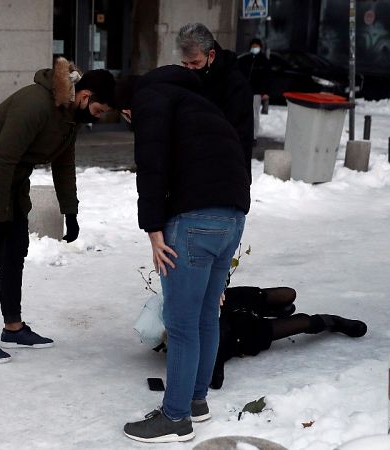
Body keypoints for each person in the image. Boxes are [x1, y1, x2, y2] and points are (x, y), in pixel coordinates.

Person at [0, 59, 116, 364]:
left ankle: (13, 327)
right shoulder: (36, 105)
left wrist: (70, 212)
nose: (97, 117)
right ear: (85, 96)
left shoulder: (69, 117)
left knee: (15, 251)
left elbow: (64, 164)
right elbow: (1, 159)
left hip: (13, 181)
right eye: (98, 110)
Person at [122, 64, 251, 443]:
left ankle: (175, 418)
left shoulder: (151, 99)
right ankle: (195, 401)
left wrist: (153, 229)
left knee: (180, 324)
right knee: (207, 315)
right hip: (233, 217)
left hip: (193, 221)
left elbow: (151, 166)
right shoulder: (200, 102)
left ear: (128, 106)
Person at [210, 286, 367, 389]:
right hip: (237, 335)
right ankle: (332, 322)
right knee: (303, 322)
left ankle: (270, 310)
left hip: (225, 304)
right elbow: (216, 381)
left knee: (288, 294)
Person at [176, 23, 254, 178]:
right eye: (185, 64)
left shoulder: (235, 85)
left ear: (211, 56)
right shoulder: (187, 79)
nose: (189, 68)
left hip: (226, 173)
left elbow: (238, 137)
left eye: (195, 63)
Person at [236, 38, 272, 140]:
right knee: (243, 113)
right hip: (245, 91)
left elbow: (268, 78)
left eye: (256, 46)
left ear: (260, 47)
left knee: (254, 113)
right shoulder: (245, 59)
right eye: (253, 46)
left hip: (256, 91)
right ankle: (244, 133)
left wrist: (266, 92)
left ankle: (253, 136)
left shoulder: (264, 61)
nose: (254, 48)